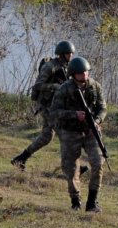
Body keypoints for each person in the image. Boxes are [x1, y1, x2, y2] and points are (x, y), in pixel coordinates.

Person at [47, 56, 107, 211]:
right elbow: (54, 112)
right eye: (81, 73)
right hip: (70, 132)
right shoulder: (64, 89)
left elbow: (102, 108)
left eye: (86, 72)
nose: (85, 75)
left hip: (90, 131)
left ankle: (92, 202)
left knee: (98, 162)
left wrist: (97, 121)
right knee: (71, 168)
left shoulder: (95, 86)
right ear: (73, 74)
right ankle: (75, 201)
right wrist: (74, 115)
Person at [11, 40, 75, 169]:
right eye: (69, 53)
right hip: (46, 106)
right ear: (62, 54)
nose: (71, 56)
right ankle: (72, 167)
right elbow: (38, 85)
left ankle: (20, 159)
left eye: (72, 53)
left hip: (55, 105)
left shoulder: (66, 67)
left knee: (47, 136)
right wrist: (54, 86)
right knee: (64, 134)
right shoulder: (50, 67)